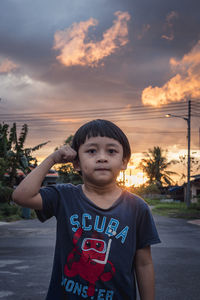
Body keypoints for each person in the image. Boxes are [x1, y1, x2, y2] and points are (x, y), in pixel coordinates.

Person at [12, 119, 161, 300]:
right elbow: (21, 196)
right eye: (91, 151)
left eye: (111, 151)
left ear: (124, 162)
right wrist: (52, 159)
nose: (102, 157)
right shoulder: (64, 196)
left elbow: (144, 264)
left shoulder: (138, 207)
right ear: (76, 163)